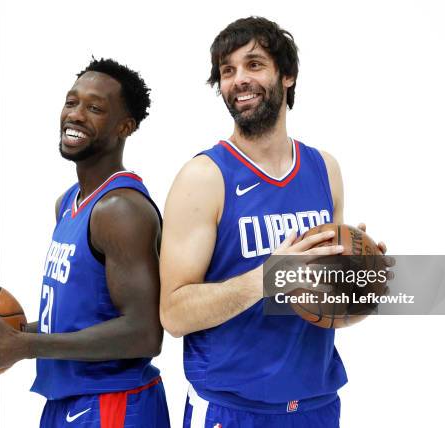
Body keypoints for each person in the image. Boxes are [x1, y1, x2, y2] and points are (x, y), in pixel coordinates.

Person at [160, 17, 386, 427]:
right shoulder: (205, 177)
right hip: (233, 410)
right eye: (228, 71)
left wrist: (360, 277)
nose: (239, 80)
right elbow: (173, 314)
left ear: (288, 76)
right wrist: (266, 278)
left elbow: (324, 295)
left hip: (317, 405)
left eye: (254, 65)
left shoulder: (324, 169)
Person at [0, 58, 170, 428]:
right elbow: (72, 322)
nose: (76, 115)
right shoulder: (68, 203)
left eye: (95, 108)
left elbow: (144, 333)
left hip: (113, 404)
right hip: (67, 402)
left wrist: (26, 346)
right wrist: (4, 339)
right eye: (71, 102)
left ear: (124, 127)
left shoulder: (121, 209)